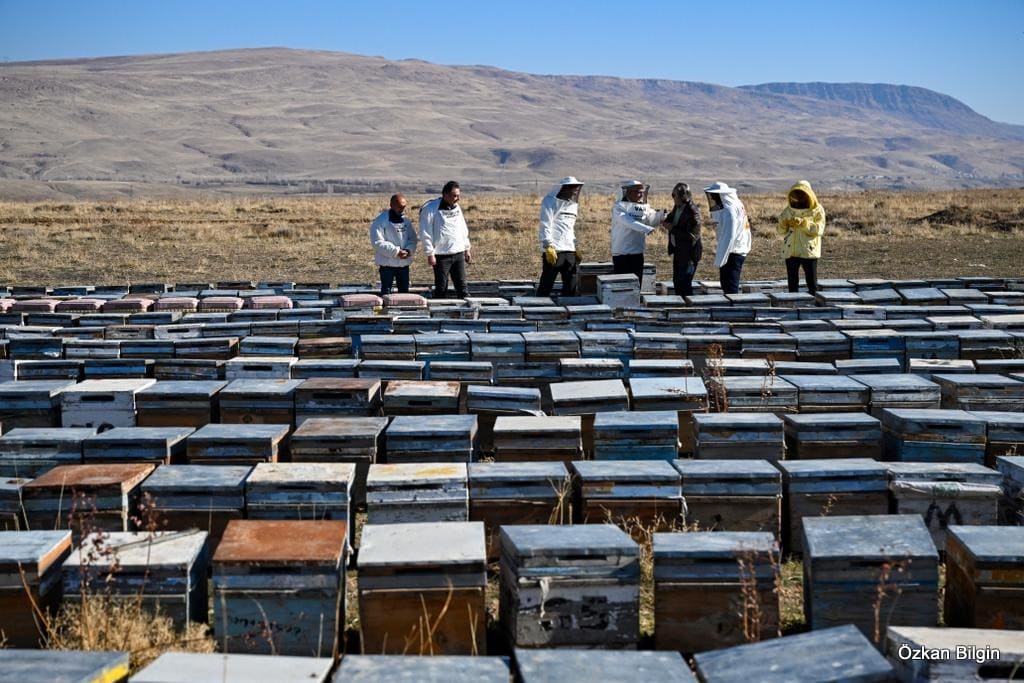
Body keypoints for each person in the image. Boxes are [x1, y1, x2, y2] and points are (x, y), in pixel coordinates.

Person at [420, 180, 472, 299]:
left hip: (458, 252)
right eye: (454, 196)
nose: (457, 198)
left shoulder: (456, 207)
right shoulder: (430, 209)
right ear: (445, 194)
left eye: (458, 195)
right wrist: (430, 253)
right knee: (441, 286)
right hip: (441, 255)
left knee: (462, 286)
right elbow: (425, 233)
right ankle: (440, 311)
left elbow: (462, 228)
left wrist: (467, 248)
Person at [536, 176, 584, 298]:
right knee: (547, 281)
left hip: (569, 250)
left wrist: (575, 246)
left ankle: (568, 308)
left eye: (575, 188)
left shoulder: (573, 205)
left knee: (571, 283)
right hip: (555, 249)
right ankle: (540, 307)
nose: (574, 191)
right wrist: (548, 245)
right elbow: (546, 223)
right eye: (571, 188)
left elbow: (569, 228)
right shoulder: (549, 201)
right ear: (563, 188)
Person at [611, 180, 666, 283]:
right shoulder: (618, 207)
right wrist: (647, 229)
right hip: (622, 253)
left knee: (636, 285)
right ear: (628, 192)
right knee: (622, 285)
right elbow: (629, 222)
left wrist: (663, 216)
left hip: (637, 251)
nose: (640, 194)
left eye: (641, 192)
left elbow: (651, 219)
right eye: (637, 192)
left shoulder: (642, 208)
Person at [777, 180, 826, 295]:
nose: (800, 196)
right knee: (792, 282)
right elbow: (780, 231)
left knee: (812, 282)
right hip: (790, 251)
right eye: (797, 193)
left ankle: (815, 304)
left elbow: (819, 229)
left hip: (808, 250)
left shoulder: (817, 210)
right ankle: (793, 305)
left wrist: (804, 224)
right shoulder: (788, 211)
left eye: (802, 193)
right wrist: (784, 224)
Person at [704, 181, 751, 295]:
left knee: (730, 286)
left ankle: (734, 310)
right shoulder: (735, 204)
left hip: (733, 252)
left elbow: (728, 237)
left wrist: (720, 260)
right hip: (735, 250)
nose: (713, 200)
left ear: (721, 197)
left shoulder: (729, 212)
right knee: (727, 283)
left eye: (714, 197)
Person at [370, 193, 418, 297]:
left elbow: (412, 238)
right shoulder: (380, 221)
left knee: (404, 292)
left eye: (404, 207)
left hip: (403, 264)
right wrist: (396, 252)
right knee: (386, 292)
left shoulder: (406, 221)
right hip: (387, 264)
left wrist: (409, 250)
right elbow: (377, 242)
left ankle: (404, 311)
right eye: (400, 206)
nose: (402, 209)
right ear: (392, 205)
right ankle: (386, 311)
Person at [664, 182, 703, 298]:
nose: (673, 198)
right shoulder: (678, 207)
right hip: (679, 251)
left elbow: (691, 237)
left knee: (685, 284)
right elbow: (672, 217)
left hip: (689, 254)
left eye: (674, 195)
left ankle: (688, 311)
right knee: (677, 282)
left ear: (682, 196)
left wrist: (672, 228)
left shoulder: (693, 213)